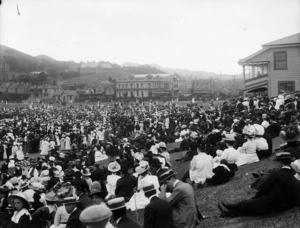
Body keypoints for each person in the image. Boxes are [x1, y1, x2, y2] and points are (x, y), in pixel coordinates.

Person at [218, 153, 300, 217]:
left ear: (281, 163)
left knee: (249, 204)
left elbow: (265, 188)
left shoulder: (277, 174)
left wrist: (257, 197)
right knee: (252, 207)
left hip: (273, 202)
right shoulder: (293, 174)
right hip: (286, 204)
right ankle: (228, 213)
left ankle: (231, 207)